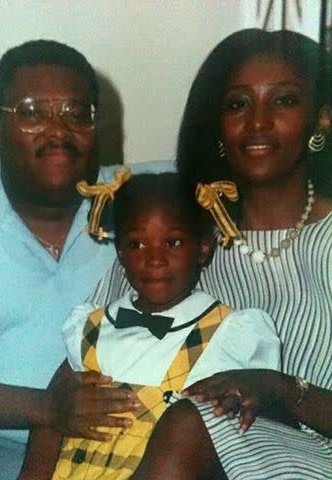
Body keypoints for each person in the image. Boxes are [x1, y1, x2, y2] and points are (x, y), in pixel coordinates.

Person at [89, 29, 332, 478]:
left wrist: (279, 388)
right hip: (176, 455)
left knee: (189, 421)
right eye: (238, 104)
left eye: (283, 101)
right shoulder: (176, 235)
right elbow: (86, 362)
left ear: (322, 119)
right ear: (218, 123)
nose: (258, 122)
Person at [17, 171, 281, 479]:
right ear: (119, 253)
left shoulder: (229, 334)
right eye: (137, 244)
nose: (155, 258)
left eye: (173, 242)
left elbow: (261, 430)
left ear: (204, 247)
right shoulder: (91, 329)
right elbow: (51, 420)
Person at [0, 39, 144, 480]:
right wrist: (46, 408)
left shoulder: (139, 204)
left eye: (77, 114)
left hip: (131, 455)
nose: (58, 130)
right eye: (31, 112)